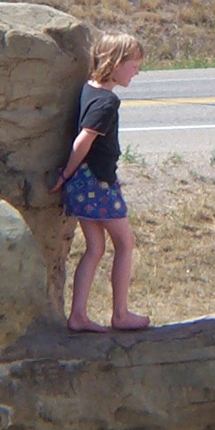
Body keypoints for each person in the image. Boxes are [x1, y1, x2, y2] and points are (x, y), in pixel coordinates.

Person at [51, 32, 151, 333]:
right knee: (125, 243)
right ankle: (120, 313)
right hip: (98, 182)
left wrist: (69, 177)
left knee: (95, 246)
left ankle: (78, 314)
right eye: (134, 65)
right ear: (116, 63)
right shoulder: (107, 102)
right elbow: (85, 139)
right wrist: (64, 173)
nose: (137, 71)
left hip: (82, 183)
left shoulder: (89, 89)